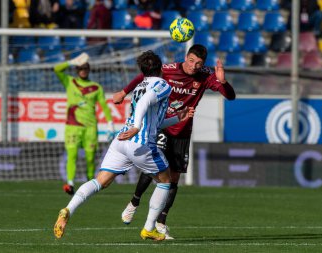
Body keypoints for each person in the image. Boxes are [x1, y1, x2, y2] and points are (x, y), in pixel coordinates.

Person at [53, 50, 195, 241]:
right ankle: (149, 228)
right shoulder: (162, 84)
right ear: (160, 69)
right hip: (141, 143)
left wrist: (177, 118)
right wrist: (137, 127)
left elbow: (153, 121)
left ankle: (68, 208)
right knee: (165, 181)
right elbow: (146, 104)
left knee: (101, 181)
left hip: (121, 141)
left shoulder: (137, 88)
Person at [113, 44, 236, 239]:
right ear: (186, 57)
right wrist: (123, 92)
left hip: (183, 131)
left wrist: (224, 81)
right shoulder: (168, 70)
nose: (194, 66)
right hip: (162, 126)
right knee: (155, 168)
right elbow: (143, 78)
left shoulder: (206, 75)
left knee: (174, 179)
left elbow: (230, 96)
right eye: (191, 61)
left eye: (199, 63)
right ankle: (134, 202)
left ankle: (161, 222)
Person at [54, 52, 114, 195]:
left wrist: (110, 122)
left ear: (89, 70)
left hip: (90, 127)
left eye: (85, 69)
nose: (83, 71)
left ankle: (90, 183)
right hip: (73, 126)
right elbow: (56, 69)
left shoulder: (96, 87)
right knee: (72, 154)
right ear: (77, 70)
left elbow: (104, 106)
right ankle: (69, 183)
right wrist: (71, 62)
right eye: (81, 68)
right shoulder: (70, 81)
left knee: (90, 157)